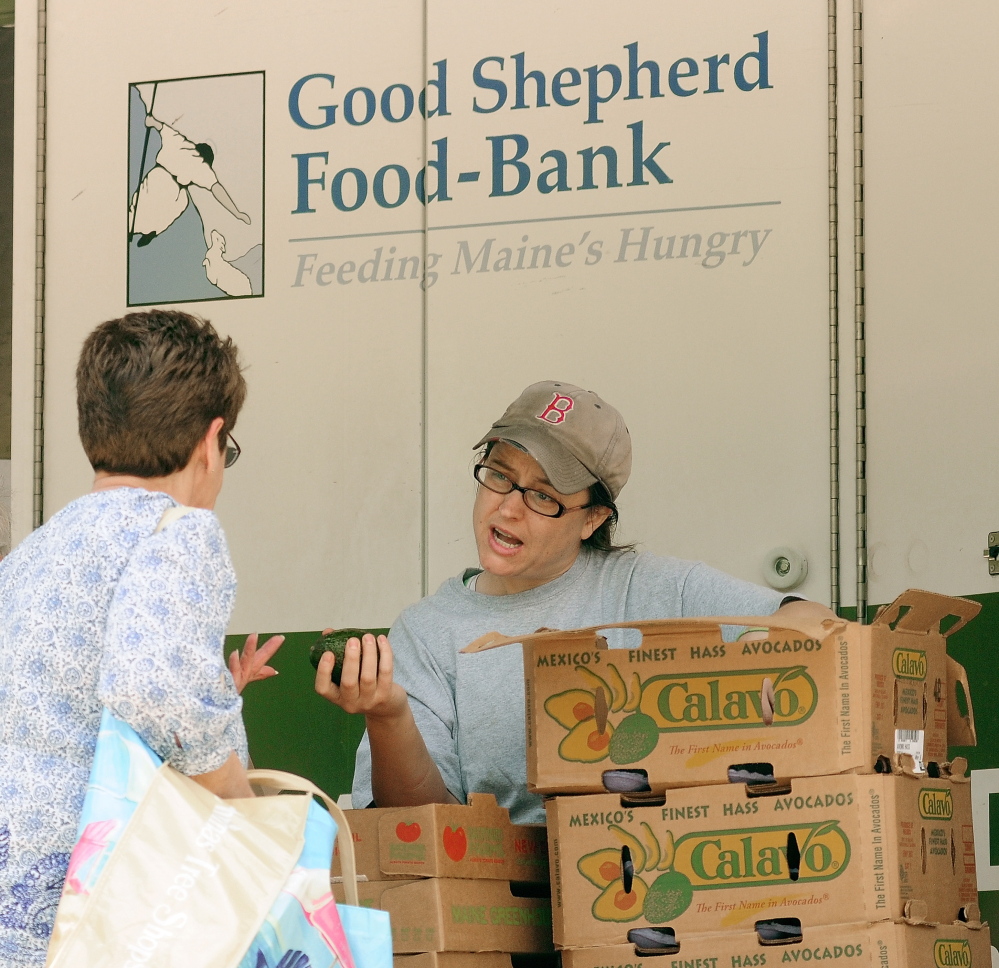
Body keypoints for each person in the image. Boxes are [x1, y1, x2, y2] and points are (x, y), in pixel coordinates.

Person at [315, 381, 834, 824]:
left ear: (592, 519)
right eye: (499, 475)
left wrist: (752, 665)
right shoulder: (428, 632)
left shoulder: (651, 589)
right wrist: (389, 717)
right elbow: (427, 831)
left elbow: (815, 621)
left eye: (543, 496)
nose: (508, 508)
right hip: (507, 916)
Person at [0, 310, 281, 964]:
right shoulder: (177, 531)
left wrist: (213, 688)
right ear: (212, 442)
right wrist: (243, 810)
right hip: (99, 909)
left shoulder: (28, 558)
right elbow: (155, 690)